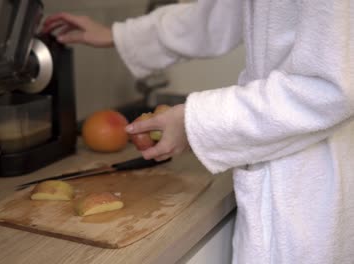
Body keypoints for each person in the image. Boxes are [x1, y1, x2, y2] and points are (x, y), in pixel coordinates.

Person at [42, 1, 354, 263]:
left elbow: (329, 88)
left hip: (309, 185)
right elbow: (228, 10)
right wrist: (120, 34)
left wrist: (196, 122)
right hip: (282, 158)